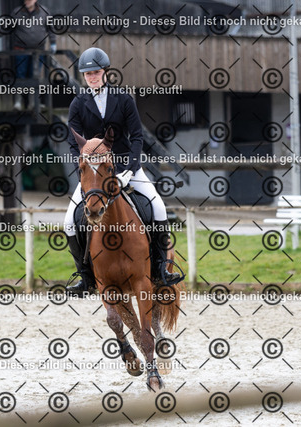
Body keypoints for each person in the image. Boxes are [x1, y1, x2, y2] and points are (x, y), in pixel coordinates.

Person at [64, 47, 181, 297]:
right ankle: (85, 277)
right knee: (69, 222)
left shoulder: (124, 99)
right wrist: (83, 171)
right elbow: (74, 144)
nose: (92, 77)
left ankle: (161, 269)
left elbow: (137, 137)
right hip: (94, 172)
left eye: (96, 72)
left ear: (105, 72)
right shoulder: (77, 104)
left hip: (127, 166)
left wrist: (129, 169)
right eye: (87, 74)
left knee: (158, 207)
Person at [10, 0, 56, 110]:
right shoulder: (17, 12)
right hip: (21, 50)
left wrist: (53, 42)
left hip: (38, 51)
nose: (27, 1)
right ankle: (18, 102)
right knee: (20, 74)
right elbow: (7, 26)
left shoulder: (44, 12)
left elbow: (50, 28)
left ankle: (34, 102)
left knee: (35, 76)